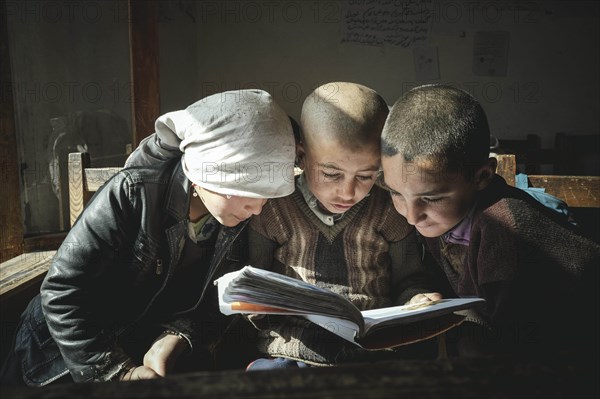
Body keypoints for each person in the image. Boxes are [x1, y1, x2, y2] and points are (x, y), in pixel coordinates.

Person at [0, 89, 296, 386]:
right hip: (60, 358)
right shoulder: (132, 193)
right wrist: (115, 372)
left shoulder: (236, 219)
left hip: (144, 353)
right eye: (248, 192)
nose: (257, 209)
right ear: (206, 171)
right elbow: (62, 291)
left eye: (266, 197)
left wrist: (176, 336)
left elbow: (220, 300)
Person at [379, 84, 600, 356]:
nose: (412, 216)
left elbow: (513, 345)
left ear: (482, 176)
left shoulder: (505, 231)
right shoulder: (445, 217)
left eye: (432, 198)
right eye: (395, 193)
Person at [243, 82, 441, 369]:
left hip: (372, 352)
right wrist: (254, 306)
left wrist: (417, 300)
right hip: (291, 350)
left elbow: (409, 279)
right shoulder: (272, 208)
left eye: (365, 176)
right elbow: (254, 280)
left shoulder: (389, 209)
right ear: (301, 156)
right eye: (332, 174)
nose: (348, 193)